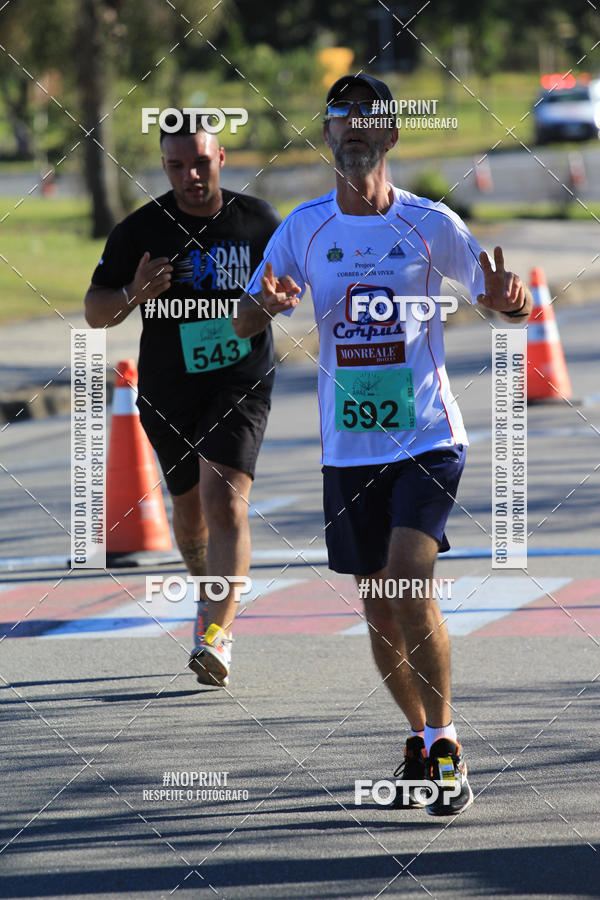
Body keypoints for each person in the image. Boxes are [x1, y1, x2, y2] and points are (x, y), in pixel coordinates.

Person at [234, 73, 532, 815]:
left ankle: (448, 745)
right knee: (376, 605)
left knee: (406, 579)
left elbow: (505, 306)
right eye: (342, 119)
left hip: (428, 437)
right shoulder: (303, 230)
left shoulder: (431, 224)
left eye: (370, 121)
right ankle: (420, 739)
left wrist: (510, 303)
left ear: (392, 136)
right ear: (328, 134)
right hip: (349, 448)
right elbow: (242, 324)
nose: (355, 131)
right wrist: (262, 309)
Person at [85, 115, 281, 687]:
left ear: (221, 157)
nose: (191, 175)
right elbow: (96, 313)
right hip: (169, 391)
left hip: (239, 383)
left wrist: (275, 300)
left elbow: (292, 281)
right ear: (164, 168)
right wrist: (132, 293)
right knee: (191, 512)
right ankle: (206, 594)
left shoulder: (258, 222)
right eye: (177, 166)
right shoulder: (140, 231)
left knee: (224, 504)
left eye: (200, 162)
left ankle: (216, 637)